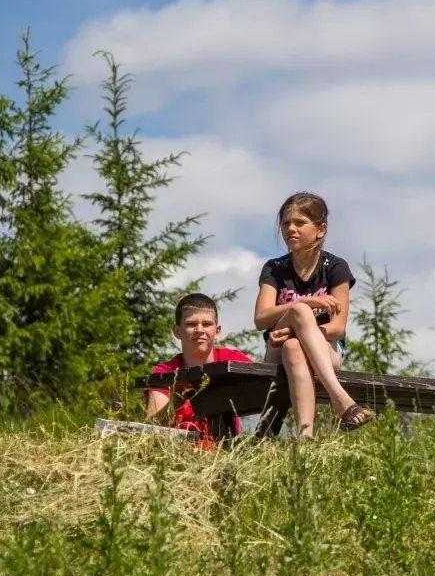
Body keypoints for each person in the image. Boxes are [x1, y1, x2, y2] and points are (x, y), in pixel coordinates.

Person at [253, 191, 375, 440]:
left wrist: (297, 330)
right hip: (274, 347)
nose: (291, 229)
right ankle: (340, 400)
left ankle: (305, 439)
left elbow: (338, 328)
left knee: (294, 347)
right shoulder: (274, 269)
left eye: (300, 223)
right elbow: (261, 319)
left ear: (320, 230)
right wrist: (304, 304)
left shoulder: (335, 268)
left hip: (327, 348)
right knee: (298, 310)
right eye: (286, 223)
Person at [144, 292, 253, 446]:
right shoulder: (165, 371)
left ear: (217, 331)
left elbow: (266, 393)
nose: (199, 329)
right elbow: (153, 423)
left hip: (225, 449)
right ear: (177, 331)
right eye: (191, 324)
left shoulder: (233, 360)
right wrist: (177, 400)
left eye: (207, 324)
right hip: (179, 448)